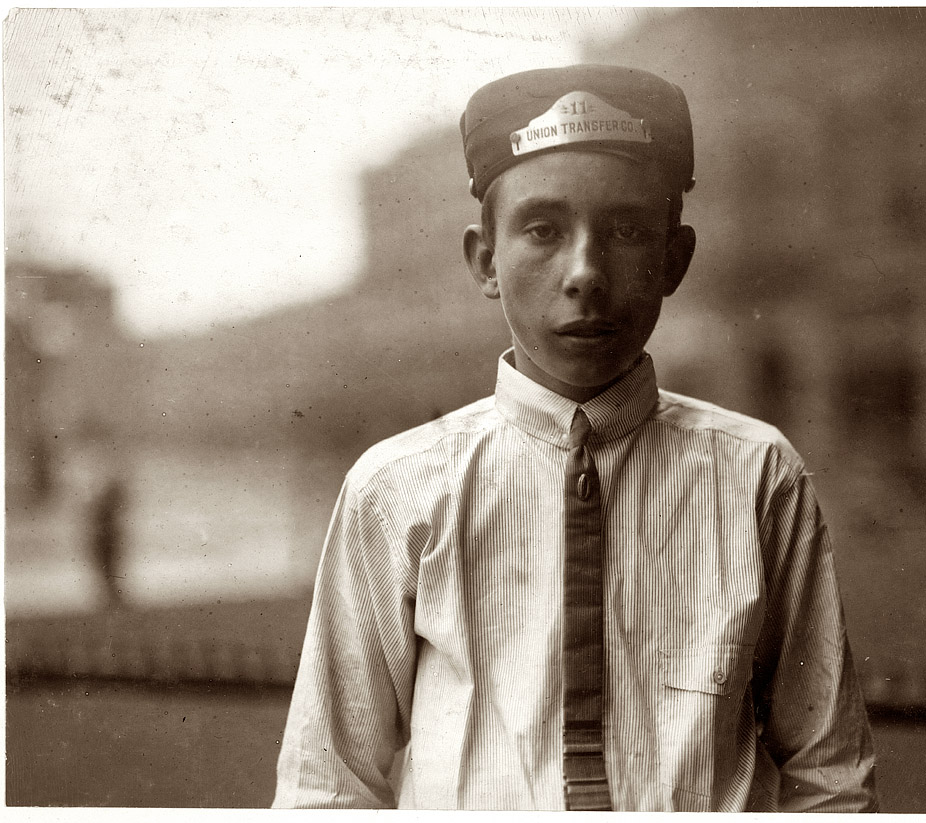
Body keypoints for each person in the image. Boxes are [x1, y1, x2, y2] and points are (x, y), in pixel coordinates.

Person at [273, 64, 877, 812]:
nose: (585, 271)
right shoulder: (396, 488)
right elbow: (328, 786)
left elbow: (832, 777)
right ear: (486, 260)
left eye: (625, 230)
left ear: (674, 259)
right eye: (543, 230)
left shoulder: (757, 475)